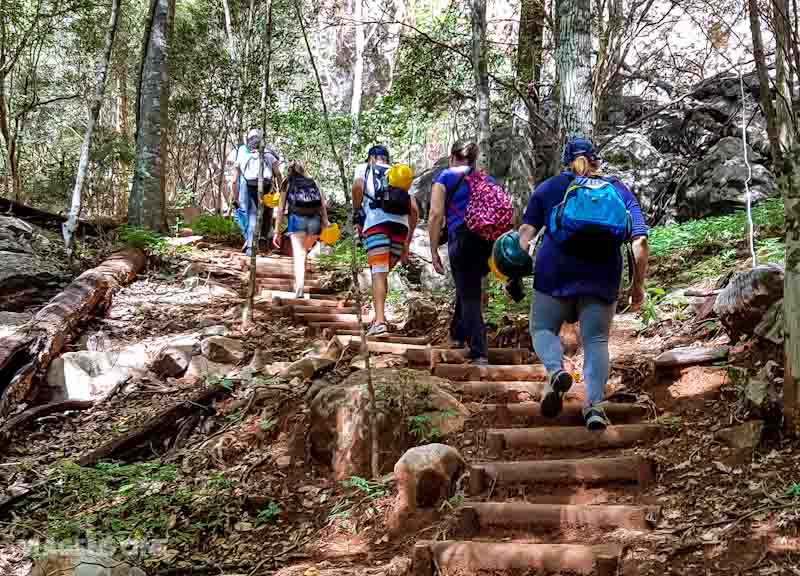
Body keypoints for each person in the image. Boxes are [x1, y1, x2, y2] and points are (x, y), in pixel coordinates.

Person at [518, 137, 649, 430]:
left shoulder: (550, 188)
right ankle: (594, 407)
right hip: (601, 276)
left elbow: (526, 232)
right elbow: (639, 240)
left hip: (555, 272)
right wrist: (637, 285)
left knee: (541, 328)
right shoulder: (617, 190)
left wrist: (514, 270)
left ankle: (555, 371)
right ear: (596, 160)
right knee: (597, 341)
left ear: (565, 162)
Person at [428, 141, 493, 365]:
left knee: (470, 294)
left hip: (462, 237)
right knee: (467, 287)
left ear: (452, 157)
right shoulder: (485, 179)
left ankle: (479, 351)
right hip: (486, 240)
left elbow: (436, 214)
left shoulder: (445, 177)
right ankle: (457, 335)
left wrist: (433, 249)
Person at [352, 145, 419, 336]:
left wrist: (357, 212)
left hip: (376, 225)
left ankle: (380, 321)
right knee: (382, 273)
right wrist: (407, 240)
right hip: (400, 228)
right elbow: (413, 209)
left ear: (371, 158)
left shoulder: (364, 168)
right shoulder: (399, 173)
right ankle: (380, 317)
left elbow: (357, 187)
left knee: (378, 274)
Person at [273, 161, 329, 298]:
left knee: (299, 255)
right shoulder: (312, 181)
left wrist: (276, 231)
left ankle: (299, 289)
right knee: (304, 253)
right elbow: (322, 204)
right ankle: (299, 283)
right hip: (314, 221)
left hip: (297, 220)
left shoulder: (287, 182)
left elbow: (280, 209)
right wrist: (325, 222)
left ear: (289, 170)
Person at [231, 129, 283, 256]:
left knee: (252, 215)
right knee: (267, 214)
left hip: (250, 187)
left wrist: (235, 197)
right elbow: (278, 174)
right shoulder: (269, 155)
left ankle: (250, 247)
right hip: (267, 187)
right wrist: (282, 191)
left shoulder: (243, 157)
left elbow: (234, 181)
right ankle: (263, 240)